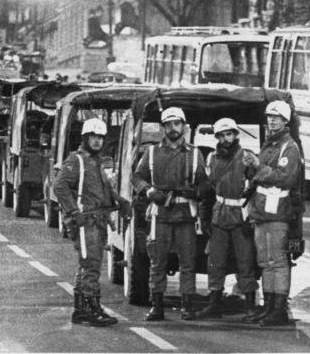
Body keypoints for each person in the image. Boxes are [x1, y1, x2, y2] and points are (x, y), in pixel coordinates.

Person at [132, 107, 210, 321]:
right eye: (168, 124)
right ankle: (157, 306)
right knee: (158, 261)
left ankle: (187, 306)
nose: (173, 128)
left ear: (183, 127)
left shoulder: (195, 154)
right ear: (163, 128)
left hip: (185, 215)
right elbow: (137, 177)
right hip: (161, 214)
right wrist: (149, 191)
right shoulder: (152, 152)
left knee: (188, 262)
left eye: (177, 124)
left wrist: (197, 191)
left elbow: (205, 183)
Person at [53, 118, 132, 327]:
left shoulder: (95, 162)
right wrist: (73, 211)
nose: (97, 141)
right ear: (85, 138)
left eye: (100, 138)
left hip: (96, 221)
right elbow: (59, 186)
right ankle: (92, 309)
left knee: (85, 265)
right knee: (91, 266)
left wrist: (119, 200)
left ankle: (80, 310)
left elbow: (103, 189)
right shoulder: (76, 161)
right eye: (93, 137)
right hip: (85, 222)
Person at [242, 100, 303, 327]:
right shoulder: (271, 145)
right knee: (266, 261)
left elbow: (285, 177)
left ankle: (278, 309)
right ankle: (269, 306)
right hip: (262, 212)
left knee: (277, 260)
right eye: (269, 117)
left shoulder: (289, 147)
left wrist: (258, 166)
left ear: (286, 121)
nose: (272, 120)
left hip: (277, 212)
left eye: (277, 117)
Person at [196, 118, 258, 320]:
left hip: (240, 214)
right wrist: (205, 218)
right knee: (215, 261)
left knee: (245, 261)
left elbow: (256, 189)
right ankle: (214, 304)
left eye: (229, 134)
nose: (225, 139)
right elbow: (207, 191)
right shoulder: (212, 158)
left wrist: (252, 218)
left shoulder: (246, 157)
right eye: (221, 135)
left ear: (235, 134)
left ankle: (250, 305)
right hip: (218, 214)